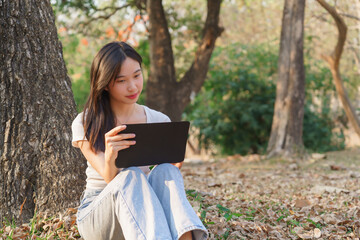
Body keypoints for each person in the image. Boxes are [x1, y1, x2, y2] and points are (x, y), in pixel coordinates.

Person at [71, 41, 208, 240]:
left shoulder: (159, 120)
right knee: (131, 175)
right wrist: (110, 156)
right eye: (121, 81)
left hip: (146, 212)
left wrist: (173, 164)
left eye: (137, 75)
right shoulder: (86, 122)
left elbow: (165, 180)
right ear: (106, 84)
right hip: (100, 213)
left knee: (166, 171)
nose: (133, 86)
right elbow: (110, 178)